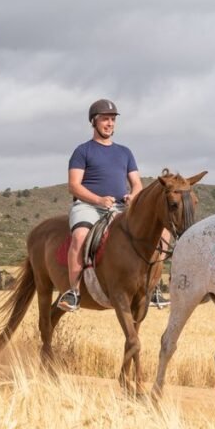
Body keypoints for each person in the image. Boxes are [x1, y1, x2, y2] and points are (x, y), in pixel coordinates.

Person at [57, 99, 143, 312]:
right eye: (105, 119)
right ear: (94, 121)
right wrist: (99, 200)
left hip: (120, 208)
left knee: (146, 233)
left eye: (113, 119)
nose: (110, 123)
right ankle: (74, 292)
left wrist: (133, 196)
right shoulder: (82, 151)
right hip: (88, 206)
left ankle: (151, 287)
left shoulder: (125, 152)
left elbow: (137, 184)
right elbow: (74, 186)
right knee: (79, 237)